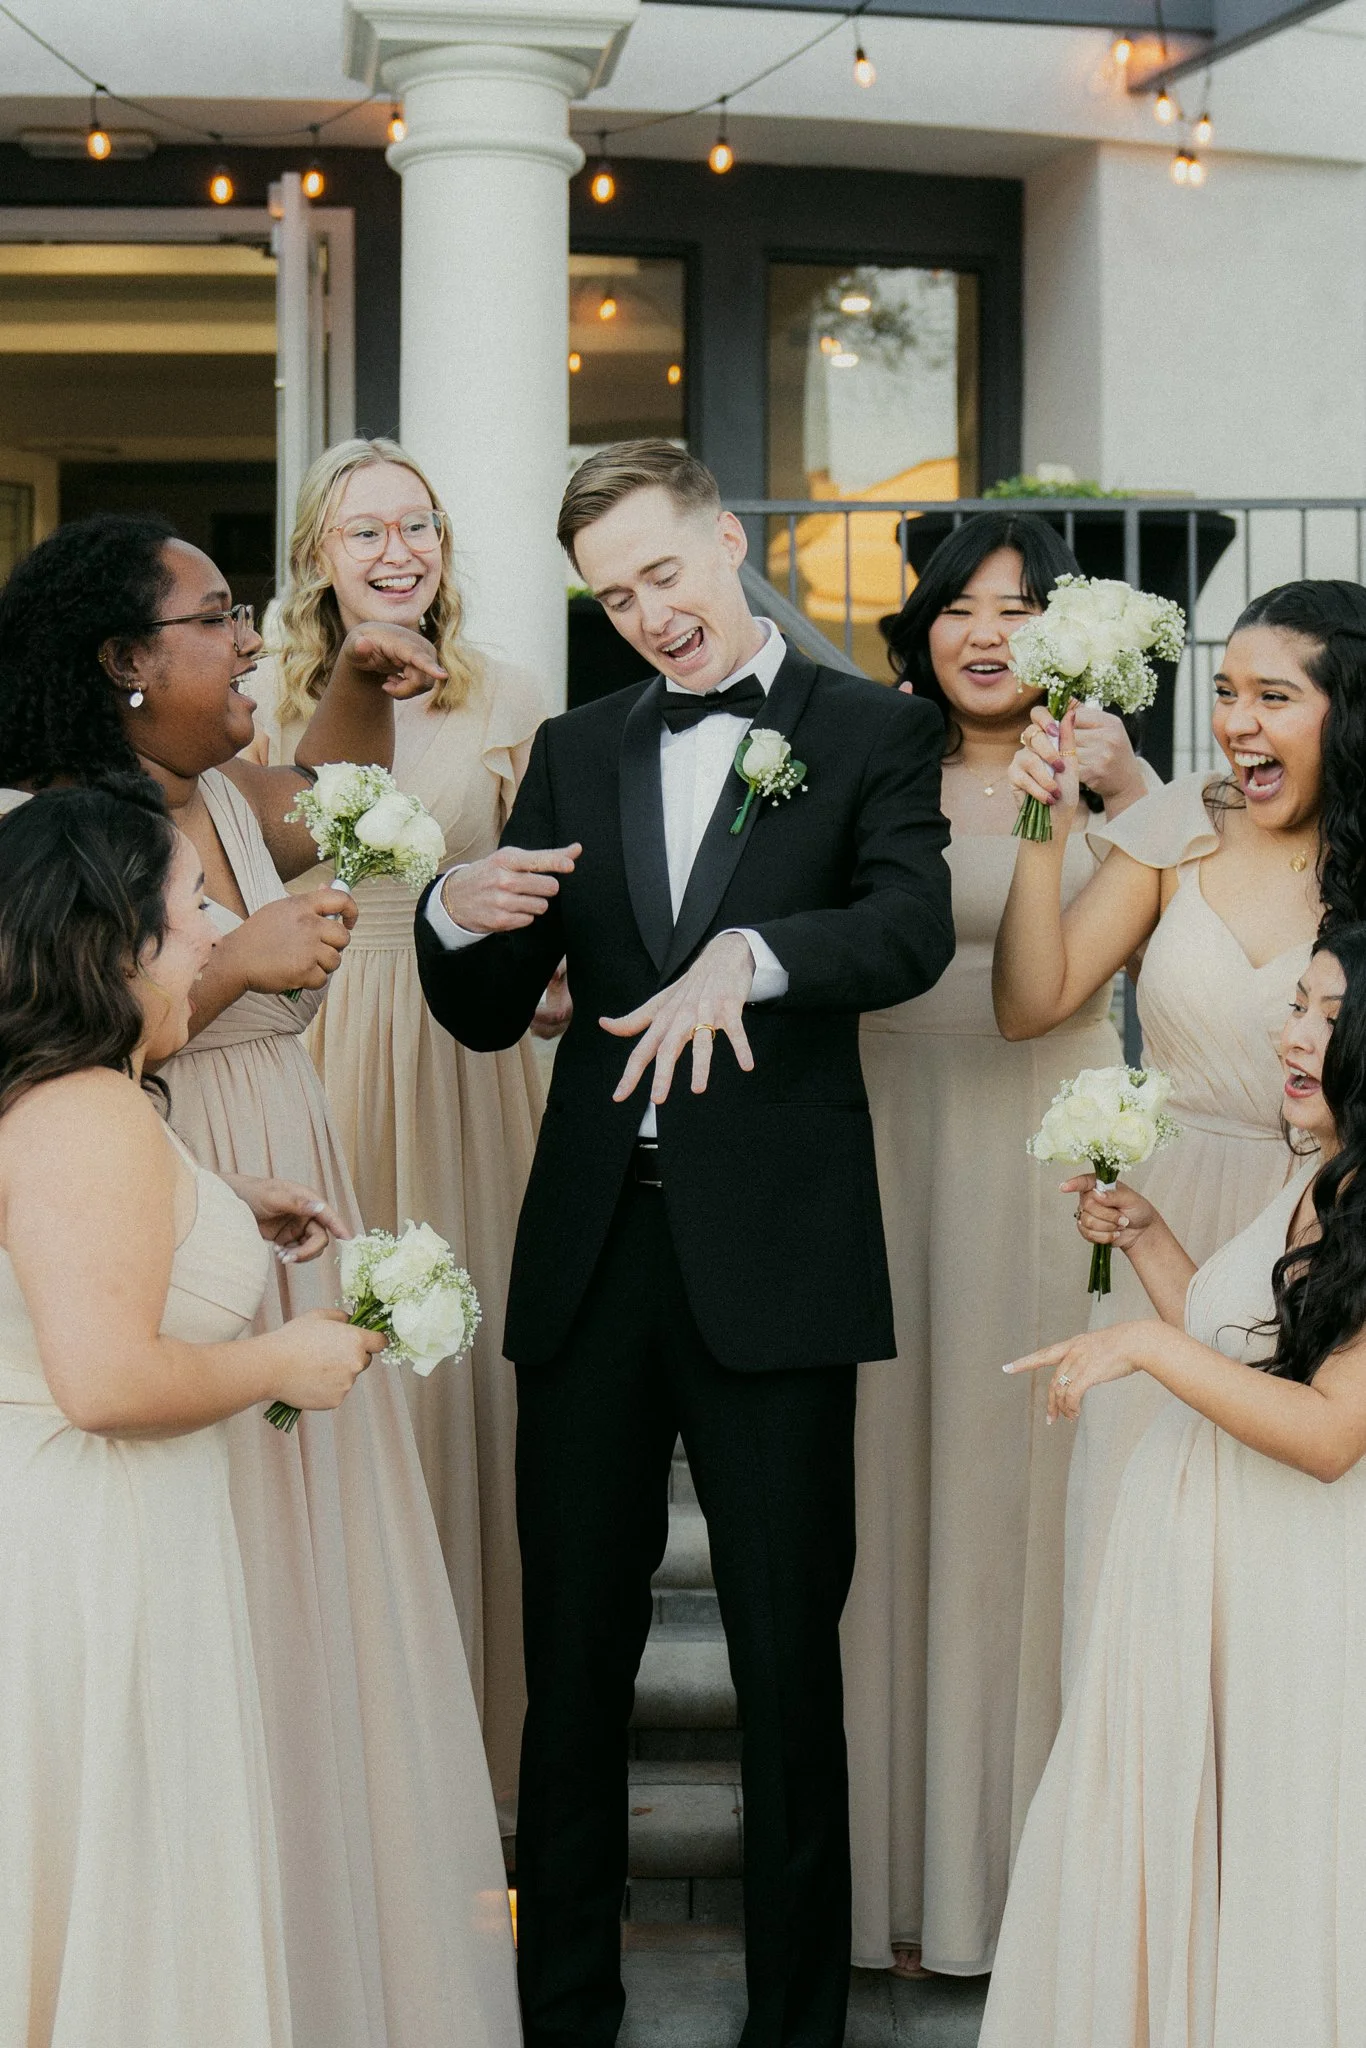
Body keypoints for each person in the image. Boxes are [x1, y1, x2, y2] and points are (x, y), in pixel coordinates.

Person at [414, 439, 955, 2048]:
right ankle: (560, 2012)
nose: (648, 615)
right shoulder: (574, 750)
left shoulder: (870, 728)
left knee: (789, 1663)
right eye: (612, 595)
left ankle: (793, 2028)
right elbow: (493, 1010)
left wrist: (759, 958)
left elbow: (910, 923)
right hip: (591, 1253)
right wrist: (460, 913)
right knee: (570, 1661)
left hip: (777, 1258)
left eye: (663, 573)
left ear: (725, 540)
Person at [0, 518, 522, 2048]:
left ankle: (315, 1943)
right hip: (134, 1172)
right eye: (215, 616)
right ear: (120, 660)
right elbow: (40, 1039)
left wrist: (362, 674)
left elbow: (339, 790)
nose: (248, 639)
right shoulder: (49, 839)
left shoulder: (228, 790)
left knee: (311, 1596)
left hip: (238, 1179)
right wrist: (229, 968)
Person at [0, 779, 383, 2047]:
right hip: (98, 1557)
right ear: (114, 939)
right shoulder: (85, 1109)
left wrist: (216, 1198)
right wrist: (282, 1357)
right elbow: (104, 1379)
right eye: (189, 907)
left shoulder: (74, 1094)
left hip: (102, 1540)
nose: (219, 929)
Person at [844, 512, 1157, 1982]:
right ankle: (884, 1890)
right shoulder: (864, 762)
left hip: (1041, 1161)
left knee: (1020, 1508)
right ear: (918, 626)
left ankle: (1024, 1892)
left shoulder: (1113, 790)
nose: (988, 633)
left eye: (1022, 608)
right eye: (959, 606)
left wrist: (1127, 785)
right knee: (880, 1501)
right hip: (877, 1147)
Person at [981, 927, 1366, 2047]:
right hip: (1206, 1580)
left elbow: (1332, 1429)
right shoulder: (1316, 1173)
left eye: (1326, 1016)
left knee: (1266, 1855)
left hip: (1286, 1590)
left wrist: (1141, 1352)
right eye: (1294, 1003)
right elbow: (1246, 1346)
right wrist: (1150, 1239)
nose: (1291, 1031)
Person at [244, 436, 548, 1810]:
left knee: (476, 1383)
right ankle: (348, 1755)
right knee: (344, 1360)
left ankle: (482, 1750)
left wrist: (552, 985)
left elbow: (556, 880)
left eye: (416, 529)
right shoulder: (263, 711)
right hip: (322, 1046)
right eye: (365, 533)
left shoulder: (509, 699)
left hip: (474, 1059)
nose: (395, 555)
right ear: (319, 553)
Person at [993, 578, 1366, 1685]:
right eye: (1222, 692)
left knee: (1294, 1604)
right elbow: (1030, 1001)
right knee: (1139, 1585)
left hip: (1328, 1241)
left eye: (1272, 696)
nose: (1236, 721)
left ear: (1344, 710)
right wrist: (1038, 832)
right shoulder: (1178, 827)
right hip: (1172, 1223)